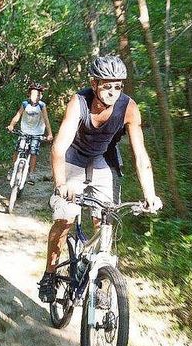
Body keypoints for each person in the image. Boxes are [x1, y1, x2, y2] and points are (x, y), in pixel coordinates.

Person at [38, 55, 163, 303]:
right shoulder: (79, 102)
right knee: (64, 220)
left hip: (103, 163)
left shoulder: (128, 108)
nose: (113, 92)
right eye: (107, 85)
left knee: (104, 221)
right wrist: (61, 184)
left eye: (118, 86)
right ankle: (49, 274)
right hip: (74, 160)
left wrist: (150, 194)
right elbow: (58, 148)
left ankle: (97, 279)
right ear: (94, 84)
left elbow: (141, 155)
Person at [7, 82, 53, 185]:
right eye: (33, 94)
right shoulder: (25, 104)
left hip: (37, 132)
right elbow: (18, 115)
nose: (35, 97)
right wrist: (11, 125)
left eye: (37, 95)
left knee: (33, 151)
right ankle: (12, 168)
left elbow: (46, 120)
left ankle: (31, 173)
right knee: (18, 148)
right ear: (29, 94)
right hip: (25, 130)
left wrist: (49, 134)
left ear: (41, 96)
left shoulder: (42, 106)